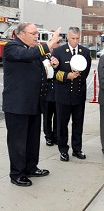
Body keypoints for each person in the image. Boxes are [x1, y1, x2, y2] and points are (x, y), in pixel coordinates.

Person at [2, 22, 61, 187]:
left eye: (37, 33)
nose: (37, 36)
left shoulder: (35, 51)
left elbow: (44, 64)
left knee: (32, 139)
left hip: (34, 103)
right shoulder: (12, 47)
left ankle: (30, 167)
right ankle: (17, 174)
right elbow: (26, 56)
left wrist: (52, 63)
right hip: (18, 105)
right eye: (33, 33)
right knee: (18, 142)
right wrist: (48, 44)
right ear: (21, 34)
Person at [53, 27, 91, 162]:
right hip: (63, 94)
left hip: (78, 94)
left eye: (77, 38)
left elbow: (86, 72)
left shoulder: (85, 52)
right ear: (67, 38)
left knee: (78, 123)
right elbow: (53, 73)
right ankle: (63, 150)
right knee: (62, 124)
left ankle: (77, 149)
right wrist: (67, 76)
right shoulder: (59, 52)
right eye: (72, 38)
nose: (75, 41)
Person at [42, 38, 60, 146]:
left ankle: (56, 136)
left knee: (58, 116)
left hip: (58, 89)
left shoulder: (60, 56)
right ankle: (48, 136)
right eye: (55, 43)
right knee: (47, 116)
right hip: (47, 89)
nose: (56, 45)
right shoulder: (43, 56)